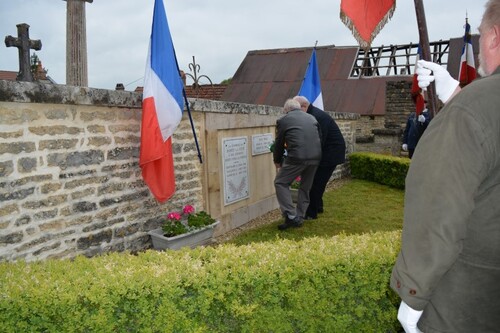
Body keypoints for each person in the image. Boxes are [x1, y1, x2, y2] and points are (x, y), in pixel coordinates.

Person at [390, 1, 500, 332]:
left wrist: (413, 294)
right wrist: (457, 95)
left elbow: (440, 201)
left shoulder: (475, 106)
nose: (479, 49)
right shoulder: (475, 104)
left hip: (471, 300)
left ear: (494, 37)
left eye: (481, 36)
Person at [293, 96, 346, 219]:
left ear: (304, 107)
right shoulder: (312, 114)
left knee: (316, 183)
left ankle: (311, 213)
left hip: (330, 153)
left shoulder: (317, 117)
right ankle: (318, 207)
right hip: (327, 152)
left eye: (296, 110)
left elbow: (318, 140)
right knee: (317, 181)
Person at [273, 98, 322, 230]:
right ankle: (299, 216)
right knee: (305, 187)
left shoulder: (283, 120)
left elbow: (279, 143)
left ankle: (290, 215)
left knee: (280, 182)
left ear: (286, 110)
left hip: (297, 158)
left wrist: (277, 160)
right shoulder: (312, 118)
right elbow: (319, 138)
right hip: (315, 157)